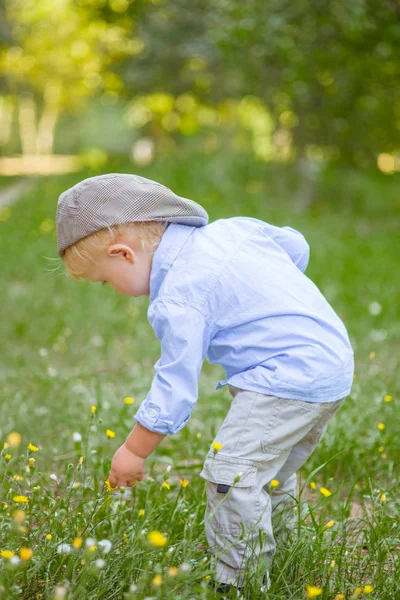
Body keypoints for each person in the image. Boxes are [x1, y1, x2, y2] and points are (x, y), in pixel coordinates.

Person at [56, 173, 354, 596]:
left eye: (105, 281)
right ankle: (283, 552)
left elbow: (174, 387)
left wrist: (134, 450)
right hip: (331, 365)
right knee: (269, 471)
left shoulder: (178, 296)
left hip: (282, 377)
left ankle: (239, 582)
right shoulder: (235, 229)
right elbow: (295, 245)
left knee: (230, 474)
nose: (114, 291)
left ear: (123, 254)